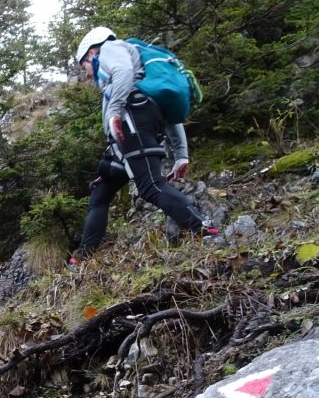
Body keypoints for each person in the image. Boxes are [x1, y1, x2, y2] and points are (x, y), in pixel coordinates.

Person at [72, 26, 215, 260]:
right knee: (100, 193)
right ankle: (83, 256)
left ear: (91, 53)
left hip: (132, 122)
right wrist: (181, 154)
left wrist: (115, 112)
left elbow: (123, 71)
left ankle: (203, 227)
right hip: (130, 130)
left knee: (150, 186)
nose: (87, 75)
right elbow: (169, 113)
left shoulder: (110, 49)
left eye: (84, 67)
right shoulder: (142, 79)